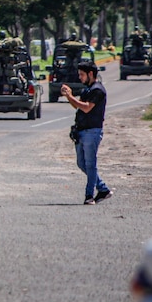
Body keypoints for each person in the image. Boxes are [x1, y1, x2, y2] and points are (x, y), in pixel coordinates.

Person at [61, 60, 112, 205]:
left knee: (90, 164)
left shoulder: (98, 90)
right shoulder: (87, 90)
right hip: (82, 131)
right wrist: (69, 95)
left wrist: (71, 97)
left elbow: (87, 107)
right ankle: (103, 189)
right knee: (81, 163)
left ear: (91, 74)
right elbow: (77, 107)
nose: (80, 77)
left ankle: (89, 196)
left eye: (82, 74)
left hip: (92, 132)